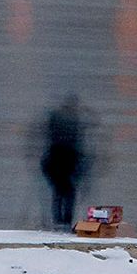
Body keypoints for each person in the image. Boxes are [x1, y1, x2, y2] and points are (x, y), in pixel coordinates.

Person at [37, 97, 92, 229]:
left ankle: (60, 221)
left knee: (61, 192)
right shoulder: (70, 126)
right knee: (66, 193)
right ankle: (63, 222)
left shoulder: (58, 124)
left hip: (59, 163)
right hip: (63, 162)